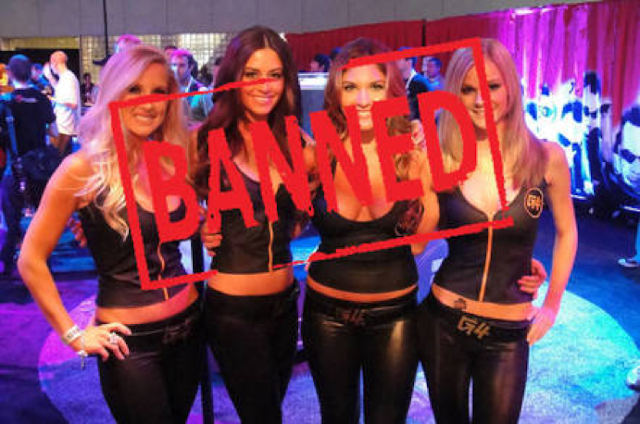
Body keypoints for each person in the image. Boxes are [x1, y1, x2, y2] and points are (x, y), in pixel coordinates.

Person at [18, 45, 204, 424]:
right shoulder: (81, 169)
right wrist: (73, 336)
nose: (147, 102)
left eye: (158, 92)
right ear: (113, 93)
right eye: (134, 89)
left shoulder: (171, 158)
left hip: (189, 326)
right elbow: (30, 259)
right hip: (129, 345)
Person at [416, 39, 577, 424]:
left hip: (509, 332)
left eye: (492, 86)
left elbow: (568, 232)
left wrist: (552, 304)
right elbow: (417, 243)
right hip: (443, 323)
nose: (479, 101)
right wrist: (409, 166)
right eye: (467, 89)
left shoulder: (547, 158)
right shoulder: (441, 159)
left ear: (511, 88)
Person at [300, 37, 436, 424]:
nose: (363, 100)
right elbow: (281, 217)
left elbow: (420, 243)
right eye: (350, 87)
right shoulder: (317, 155)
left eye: (375, 87)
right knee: (336, 417)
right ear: (336, 93)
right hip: (326, 314)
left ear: (391, 92)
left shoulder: (412, 157)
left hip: (395, 316)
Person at [194, 26, 305, 424]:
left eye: (274, 74)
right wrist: (87, 217)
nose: (264, 85)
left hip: (286, 304)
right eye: (252, 74)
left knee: (271, 408)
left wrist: (409, 133)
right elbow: (151, 193)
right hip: (234, 313)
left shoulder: (296, 142)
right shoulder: (204, 142)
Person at [0, 54, 57, 277]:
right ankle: (44, 261)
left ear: (10, 74)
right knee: (42, 216)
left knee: (11, 216)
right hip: (40, 167)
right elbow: (54, 131)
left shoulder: (6, 102)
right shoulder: (42, 99)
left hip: (16, 167)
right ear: (31, 72)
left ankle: (8, 263)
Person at [43, 50, 81, 156]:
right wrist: (50, 77)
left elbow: (73, 103)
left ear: (54, 62)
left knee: (56, 160)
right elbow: (61, 92)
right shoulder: (65, 77)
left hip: (63, 127)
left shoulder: (68, 78)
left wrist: (52, 99)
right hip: (62, 126)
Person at [171, 48, 212, 125]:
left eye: (181, 65)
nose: (176, 69)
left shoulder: (202, 91)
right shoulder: (168, 90)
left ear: (190, 67)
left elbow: (214, 122)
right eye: (174, 65)